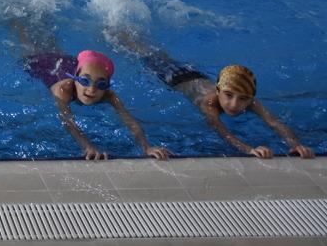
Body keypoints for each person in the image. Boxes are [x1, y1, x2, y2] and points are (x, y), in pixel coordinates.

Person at [112, 33, 315, 159]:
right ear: (218, 91)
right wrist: (249, 149)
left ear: (250, 97)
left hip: (194, 74)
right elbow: (224, 133)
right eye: (228, 95)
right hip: (173, 77)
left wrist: (296, 145)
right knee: (144, 54)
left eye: (242, 98)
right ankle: (118, 35)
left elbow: (275, 123)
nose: (234, 104)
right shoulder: (209, 104)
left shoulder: (250, 101)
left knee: (159, 53)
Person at [20, 32, 171, 161]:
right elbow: (68, 121)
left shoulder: (108, 94)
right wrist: (88, 146)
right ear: (75, 77)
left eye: (101, 84)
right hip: (40, 62)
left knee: (48, 40)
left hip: (69, 62)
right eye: (85, 81)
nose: (91, 89)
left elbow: (130, 121)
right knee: (27, 40)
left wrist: (147, 147)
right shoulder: (63, 89)